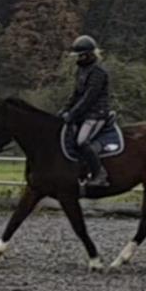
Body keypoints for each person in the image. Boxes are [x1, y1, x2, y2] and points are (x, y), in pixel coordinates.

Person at [61, 35, 111, 186]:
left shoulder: (98, 72)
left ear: (89, 54)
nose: (78, 59)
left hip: (96, 113)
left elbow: (89, 98)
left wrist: (72, 114)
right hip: (84, 113)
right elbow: (76, 94)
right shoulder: (81, 70)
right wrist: (64, 109)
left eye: (80, 55)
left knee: (82, 141)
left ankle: (100, 174)